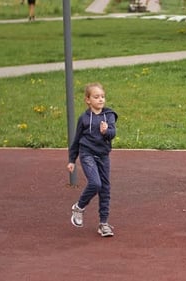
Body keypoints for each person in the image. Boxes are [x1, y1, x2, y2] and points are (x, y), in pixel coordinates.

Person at [68, 82, 119, 237]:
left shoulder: (109, 115)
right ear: (88, 100)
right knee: (95, 183)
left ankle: (103, 224)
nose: (101, 100)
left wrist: (106, 131)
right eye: (96, 97)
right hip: (87, 154)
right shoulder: (83, 119)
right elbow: (76, 140)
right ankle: (79, 207)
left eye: (102, 96)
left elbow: (112, 133)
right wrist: (72, 160)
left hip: (103, 155)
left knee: (105, 188)